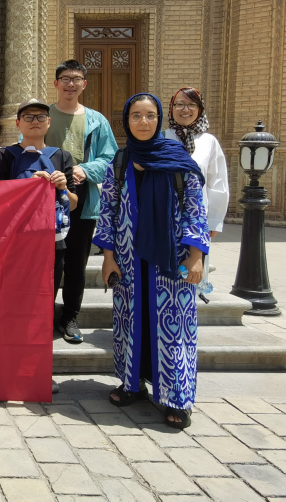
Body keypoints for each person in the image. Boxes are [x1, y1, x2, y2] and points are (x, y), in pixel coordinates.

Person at [95, 93, 208, 429]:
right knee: (131, 321)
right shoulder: (121, 161)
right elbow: (108, 211)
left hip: (172, 260)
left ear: (159, 119)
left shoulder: (178, 160)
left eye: (150, 115)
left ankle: (177, 397)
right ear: (126, 121)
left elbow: (195, 208)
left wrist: (197, 256)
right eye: (136, 116)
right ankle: (133, 384)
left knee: (173, 326)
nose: (143, 122)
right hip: (128, 261)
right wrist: (108, 258)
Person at [0, 98, 78, 396]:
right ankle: (6, 369)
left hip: (52, 243)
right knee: (11, 305)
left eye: (41, 116)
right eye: (28, 117)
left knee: (43, 306)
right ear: (18, 123)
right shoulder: (5, 155)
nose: (35, 121)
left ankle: (38, 372)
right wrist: (26, 186)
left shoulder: (62, 156)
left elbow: (74, 204)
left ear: (49, 123)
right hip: (15, 245)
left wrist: (61, 186)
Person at [45, 59, 118, 345]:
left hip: (83, 196)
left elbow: (109, 157)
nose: (70, 84)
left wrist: (85, 170)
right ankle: (43, 315)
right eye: (65, 78)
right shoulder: (45, 115)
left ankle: (70, 317)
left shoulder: (97, 120)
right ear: (56, 83)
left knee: (77, 261)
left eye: (76, 79)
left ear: (84, 84)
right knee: (49, 261)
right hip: (47, 198)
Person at [164, 87, 229, 295]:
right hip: (165, 217)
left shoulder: (208, 141)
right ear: (171, 108)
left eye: (192, 104)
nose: (185, 109)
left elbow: (217, 182)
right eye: (179, 104)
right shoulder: (162, 138)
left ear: (200, 109)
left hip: (197, 219)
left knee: (192, 275)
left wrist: (214, 220)